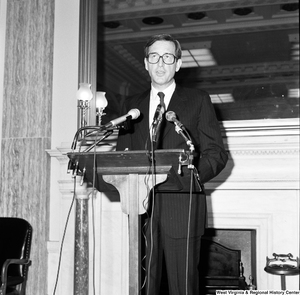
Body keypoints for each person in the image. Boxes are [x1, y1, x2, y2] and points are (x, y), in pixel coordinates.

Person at [116, 34, 228, 295]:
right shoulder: (131, 105)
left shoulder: (198, 99)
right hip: (141, 209)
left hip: (183, 208)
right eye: (154, 57)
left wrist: (191, 178)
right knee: (144, 286)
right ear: (145, 63)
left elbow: (216, 153)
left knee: (183, 287)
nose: (160, 63)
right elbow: (123, 152)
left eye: (168, 57)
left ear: (178, 64)